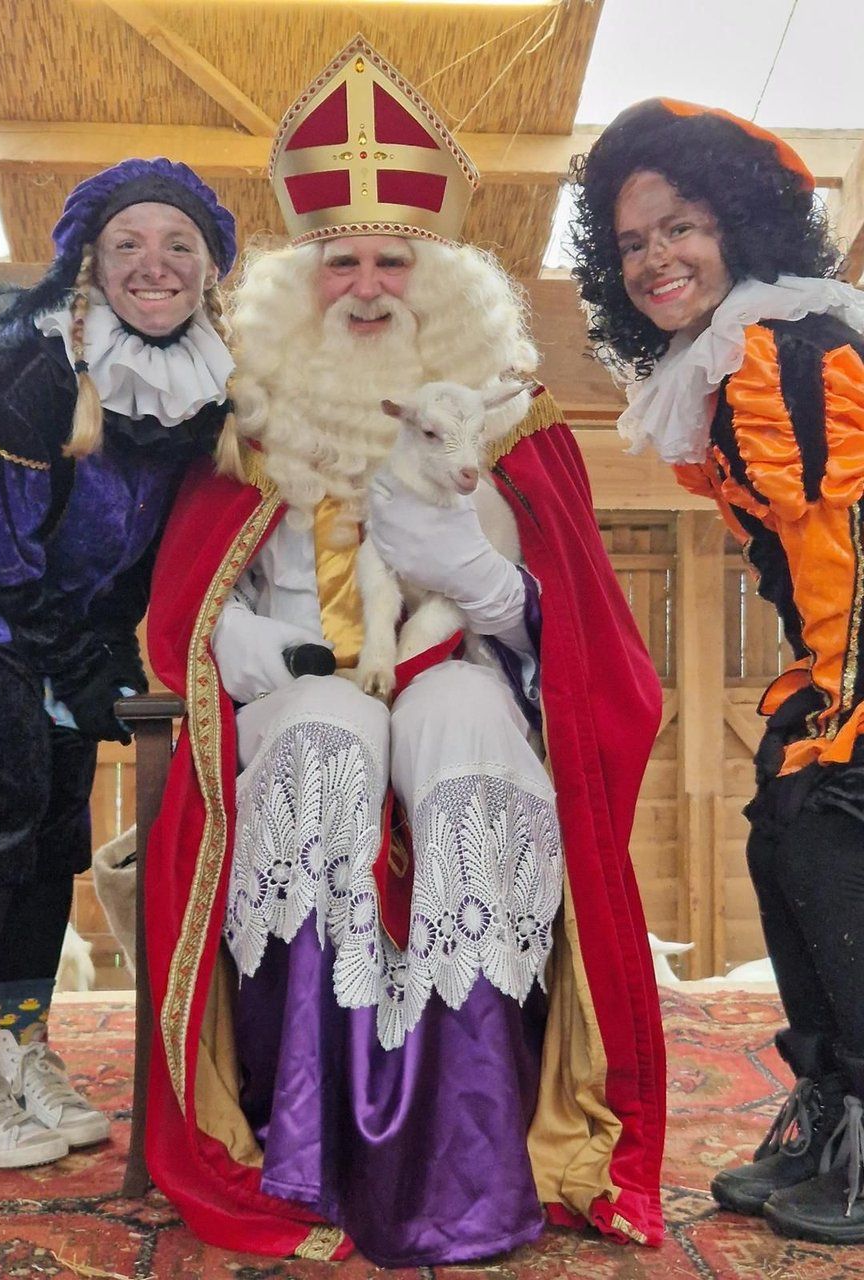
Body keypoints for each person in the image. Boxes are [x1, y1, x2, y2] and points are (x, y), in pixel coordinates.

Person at [144, 37, 665, 1265]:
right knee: (329, 741)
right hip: (303, 686)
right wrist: (263, 647)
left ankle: (466, 1153)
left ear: (441, 283)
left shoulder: (517, 417)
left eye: (393, 260)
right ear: (301, 279)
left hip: (460, 668)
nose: (368, 286)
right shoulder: (245, 415)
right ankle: (308, 1142)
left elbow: (579, 639)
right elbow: (192, 604)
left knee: (466, 731)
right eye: (342, 260)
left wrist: (478, 577)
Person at [570, 98, 864, 1245]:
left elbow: (850, 536)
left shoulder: (793, 350)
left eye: (680, 227)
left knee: (824, 832)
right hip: (832, 653)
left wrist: (842, 696)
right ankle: (834, 1116)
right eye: (634, 242)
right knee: (779, 833)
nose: (656, 258)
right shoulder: (731, 359)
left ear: (738, 222)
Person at [0, 158, 236, 1169]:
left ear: (209, 269)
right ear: (91, 263)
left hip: (46, 614)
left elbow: (140, 546)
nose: (154, 263)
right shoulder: (33, 367)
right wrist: (74, 660)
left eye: (177, 245)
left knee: (55, 832)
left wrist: (108, 648)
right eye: (127, 243)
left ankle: (18, 1042)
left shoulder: (206, 380)